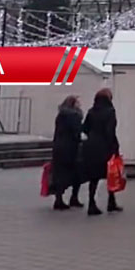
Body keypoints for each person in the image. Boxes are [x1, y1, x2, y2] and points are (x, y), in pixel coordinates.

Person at [80, 88, 122, 216]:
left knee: (94, 177)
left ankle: (92, 203)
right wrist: (114, 147)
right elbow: (110, 131)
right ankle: (111, 202)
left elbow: (85, 128)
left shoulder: (91, 111)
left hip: (91, 146)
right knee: (111, 174)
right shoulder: (110, 112)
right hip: (105, 146)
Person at [50, 95, 84, 210]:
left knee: (60, 174)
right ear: (73, 104)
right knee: (76, 174)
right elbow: (76, 132)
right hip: (70, 148)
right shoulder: (74, 116)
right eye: (78, 102)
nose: (80, 104)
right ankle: (73, 198)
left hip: (58, 147)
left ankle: (58, 198)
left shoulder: (61, 115)